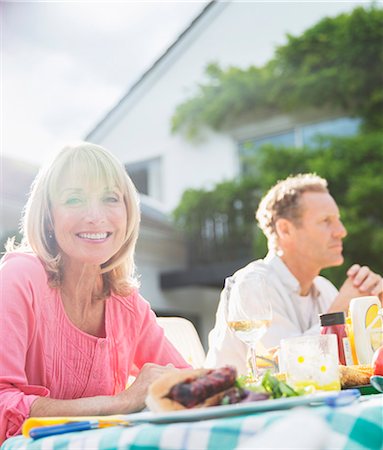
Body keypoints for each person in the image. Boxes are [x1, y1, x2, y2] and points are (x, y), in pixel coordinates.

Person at [0, 142, 190, 442]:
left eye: (110, 198)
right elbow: (2, 405)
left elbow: (186, 384)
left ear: (128, 212)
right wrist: (121, 403)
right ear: (49, 216)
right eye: (74, 199)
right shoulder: (19, 278)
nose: (95, 216)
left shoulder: (127, 303)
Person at [205, 173, 382, 375]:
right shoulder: (251, 284)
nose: (341, 231)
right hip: (240, 403)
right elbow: (287, 369)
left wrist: (375, 311)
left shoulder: (323, 288)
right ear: (285, 229)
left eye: (338, 220)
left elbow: (353, 364)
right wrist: (339, 311)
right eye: (326, 221)